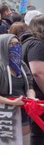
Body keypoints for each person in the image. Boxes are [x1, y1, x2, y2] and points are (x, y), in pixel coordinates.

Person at [0, 34, 35, 144]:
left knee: (26, 143)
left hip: (23, 112)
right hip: (4, 114)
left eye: (17, 44)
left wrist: (31, 97)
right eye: (11, 44)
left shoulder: (21, 64)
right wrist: (11, 102)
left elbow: (29, 85)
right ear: (2, 47)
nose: (16, 47)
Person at [22, 14, 44, 144]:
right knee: (39, 134)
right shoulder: (37, 44)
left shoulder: (28, 42)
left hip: (32, 95)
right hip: (38, 96)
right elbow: (38, 72)